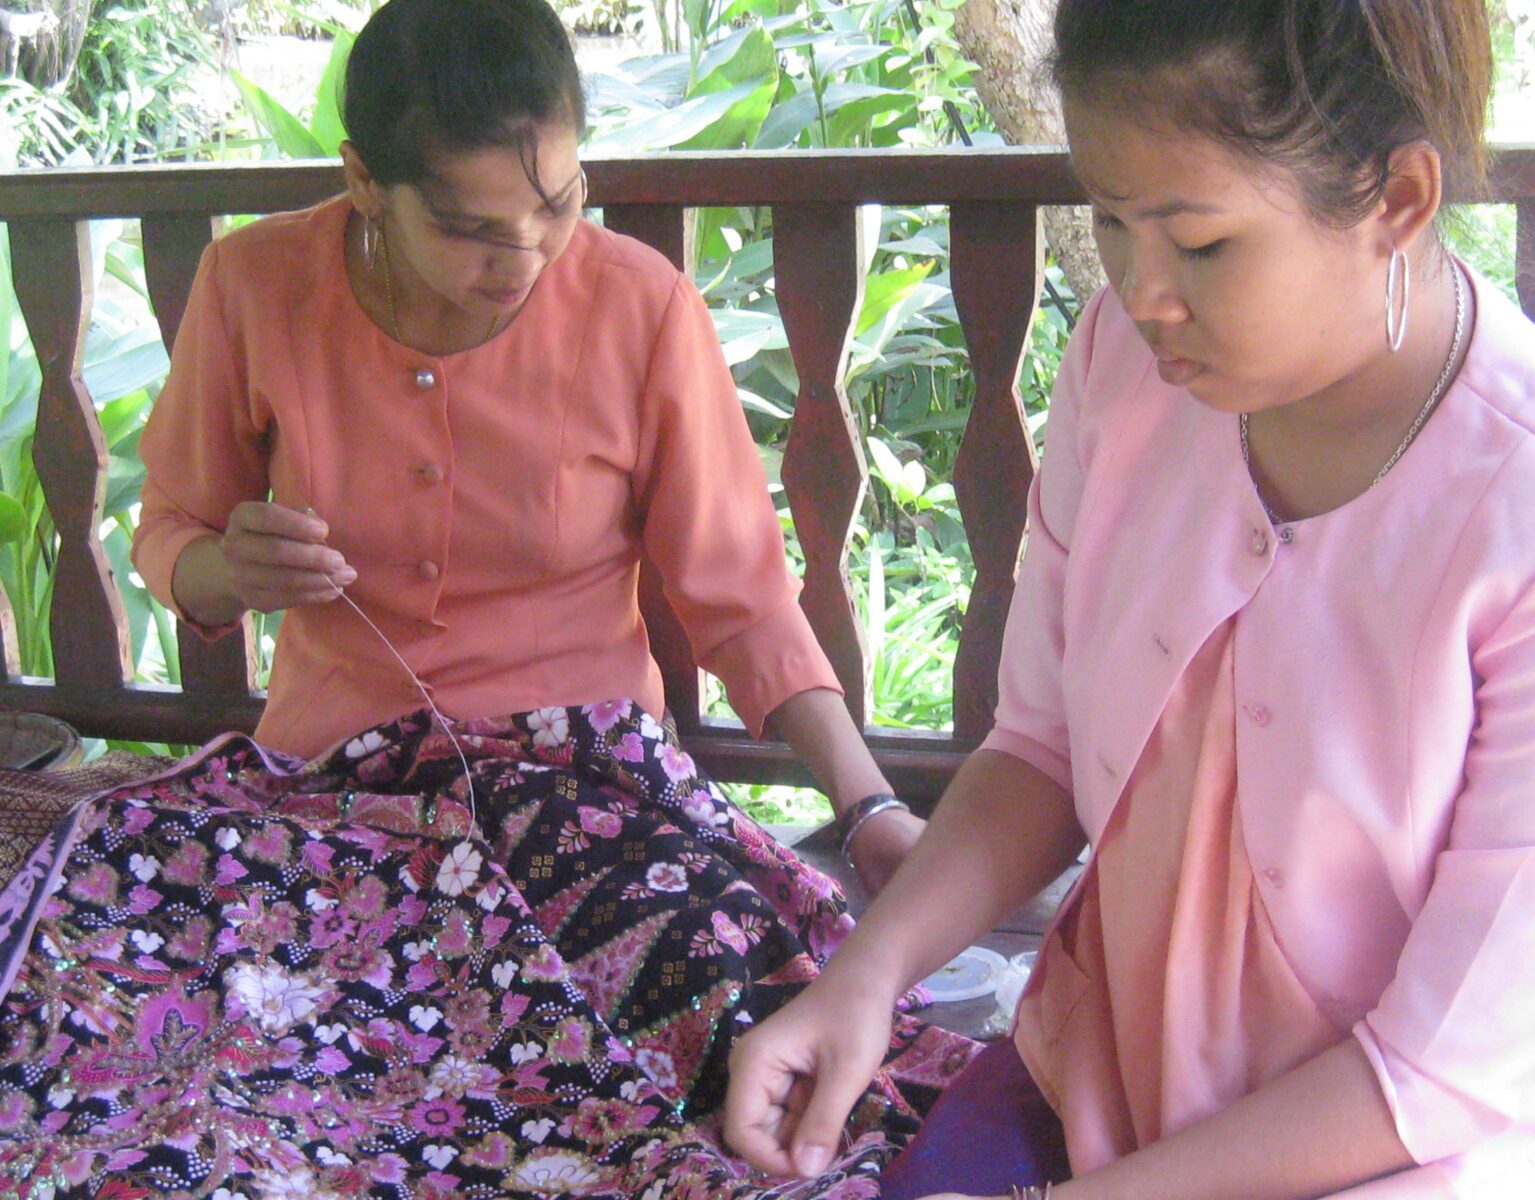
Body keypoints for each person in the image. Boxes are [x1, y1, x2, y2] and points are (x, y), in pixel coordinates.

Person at [0, 1, 965, 1194]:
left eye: (557, 204)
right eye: (467, 228)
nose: (523, 260)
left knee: (738, 1034)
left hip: (589, 796)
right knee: (194, 1045)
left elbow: (743, 600)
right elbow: (172, 535)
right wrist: (223, 570)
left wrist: (869, 807)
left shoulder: (638, 305)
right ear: (364, 181)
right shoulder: (254, 282)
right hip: (333, 796)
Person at [725, 1, 1535, 1197]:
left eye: (1200, 245)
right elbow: (1039, 749)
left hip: (1408, 1145)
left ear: (1396, 199)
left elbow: (1435, 1073)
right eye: (1110, 220)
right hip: (1107, 1069)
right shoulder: (1123, 369)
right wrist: (863, 982)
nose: (1142, 294)